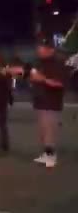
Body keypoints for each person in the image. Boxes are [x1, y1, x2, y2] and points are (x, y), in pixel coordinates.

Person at [30, 35, 66, 168]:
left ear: (50, 50)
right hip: (40, 101)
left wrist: (43, 79)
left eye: (42, 48)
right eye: (39, 48)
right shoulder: (39, 63)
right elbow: (33, 76)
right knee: (43, 132)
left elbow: (59, 83)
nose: (39, 50)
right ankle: (47, 155)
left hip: (51, 103)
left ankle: (51, 157)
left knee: (49, 131)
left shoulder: (58, 64)